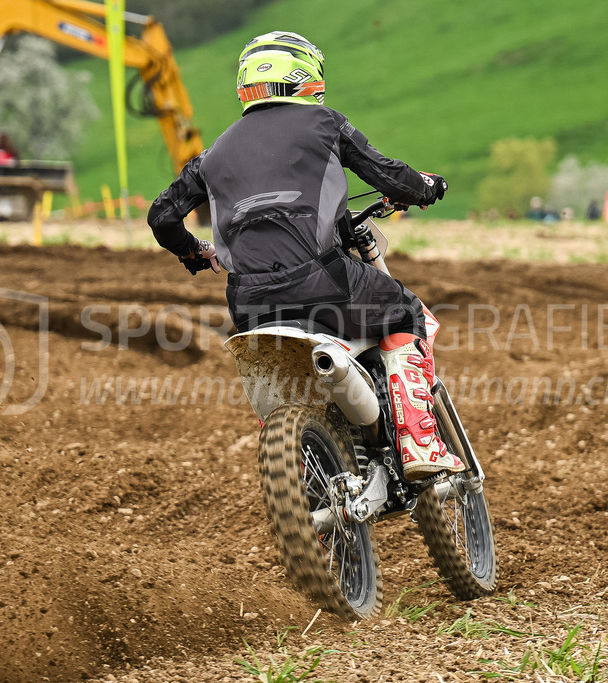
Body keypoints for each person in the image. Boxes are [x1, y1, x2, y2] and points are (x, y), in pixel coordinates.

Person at [146, 31, 462, 478]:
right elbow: (390, 176)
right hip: (324, 283)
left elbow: (162, 216)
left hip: (249, 304)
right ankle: (420, 442)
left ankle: (308, 486)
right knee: (405, 313)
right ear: (302, 76)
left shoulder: (213, 153)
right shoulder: (324, 123)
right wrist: (427, 187)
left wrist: (197, 252)